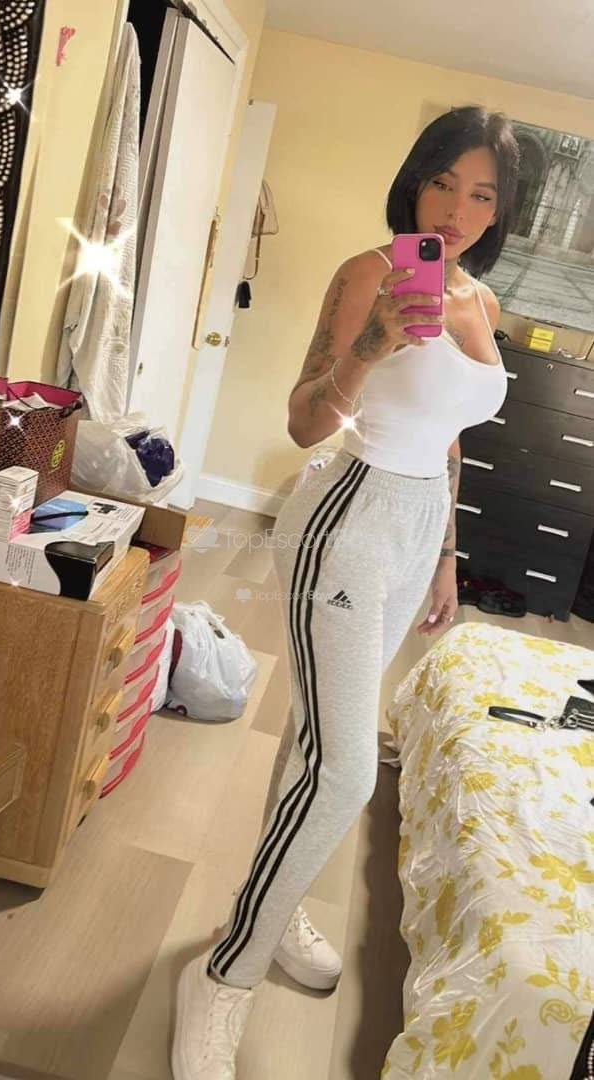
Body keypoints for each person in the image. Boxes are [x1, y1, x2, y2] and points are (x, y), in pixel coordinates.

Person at [172, 104, 520, 1079]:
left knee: (313, 740)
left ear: (499, 211)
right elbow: (300, 422)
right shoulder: (370, 273)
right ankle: (222, 976)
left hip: (414, 527)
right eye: (442, 183)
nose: (455, 209)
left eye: (481, 194)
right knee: (347, 770)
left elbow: (450, 434)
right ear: (415, 180)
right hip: (346, 514)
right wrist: (369, 344)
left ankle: (272, 904)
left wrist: (446, 552)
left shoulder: (480, 302)